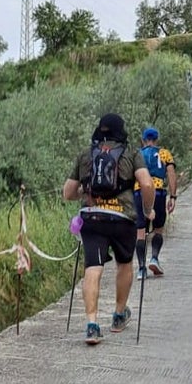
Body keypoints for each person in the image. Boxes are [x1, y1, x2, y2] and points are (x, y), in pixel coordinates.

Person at [62, 112, 154, 344]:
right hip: (123, 219)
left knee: (93, 268)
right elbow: (146, 183)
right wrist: (147, 210)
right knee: (124, 264)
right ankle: (118, 315)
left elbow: (68, 193)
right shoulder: (131, 153)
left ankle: (92, 325)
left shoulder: (85, 155)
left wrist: (84, 192)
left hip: (92, 218)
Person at [134, 126, 177, 277]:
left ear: (143, 140)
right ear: (157, 139)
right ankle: (154, 258)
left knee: (140, 231)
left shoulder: (137, 154)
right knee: (158, 228)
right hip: (158, 191)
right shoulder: (164, 153)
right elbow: (171, 174)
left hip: (139, 191)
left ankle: (141, 268)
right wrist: (173, 196)